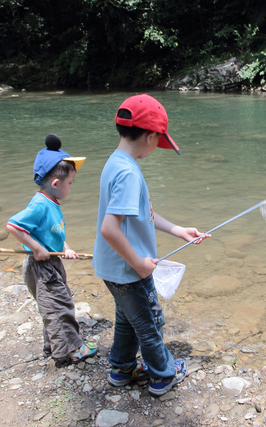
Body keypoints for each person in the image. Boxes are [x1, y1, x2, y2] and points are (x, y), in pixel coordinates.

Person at [93, 94, 209, 396]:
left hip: (112, 269)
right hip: (129, 270)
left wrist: (178, 230)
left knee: (128, 319)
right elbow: (110, 229)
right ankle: (163, 375)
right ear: (149, 136)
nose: (158, 147)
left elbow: (145, 214)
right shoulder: (129, 173)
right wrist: (139, 263)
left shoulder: (115, 162)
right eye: (159, 140)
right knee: (150, 322)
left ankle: (121, 369)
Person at [6, 134, 97, 366]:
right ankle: (71, 349)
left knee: (51, 304)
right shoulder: (39, 204)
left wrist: (65, 248)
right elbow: (13, 226)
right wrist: (37, 249)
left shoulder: (51, 202)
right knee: (60, 307)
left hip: (51, 261)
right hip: (42, 266)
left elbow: (52, 234)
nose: (70, 188)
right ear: (56, 184)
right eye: (70, 183)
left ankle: (52, 343)